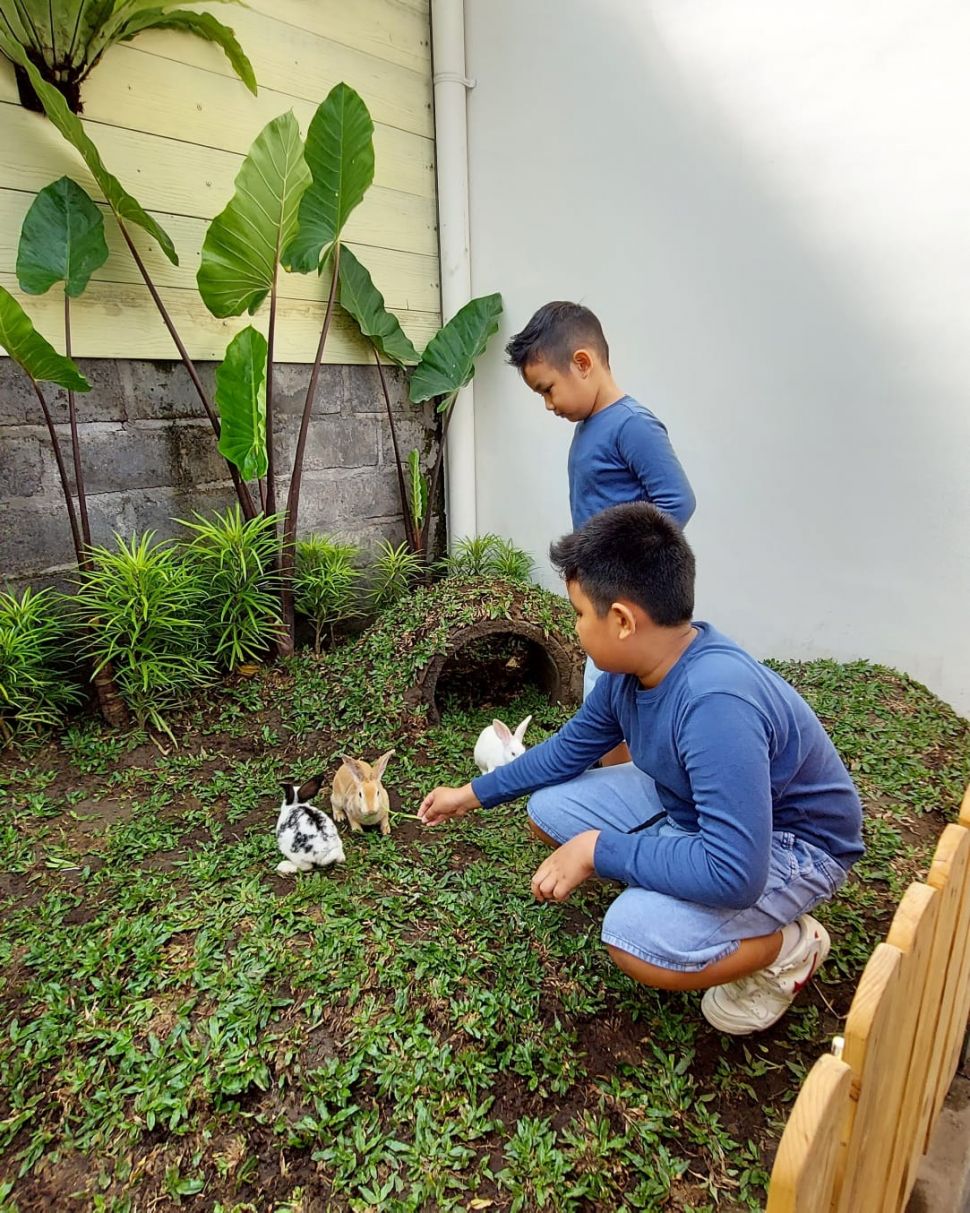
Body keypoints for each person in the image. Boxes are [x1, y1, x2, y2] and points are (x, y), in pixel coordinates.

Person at [418, 503, 864, 1035]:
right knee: (549, 810)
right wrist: (469, 794)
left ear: (624, 621)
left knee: (633, 938)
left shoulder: (715, 703)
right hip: (690, 806)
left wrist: (597, 851)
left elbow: (734, 871)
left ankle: (788, 948)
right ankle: (666, 872)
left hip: (789, 843)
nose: (576, 627)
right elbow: (568, 750)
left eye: (580, 614)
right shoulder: (633, 672)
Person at [506, 301, 695, 764]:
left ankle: (625, 789)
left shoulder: (632, 425)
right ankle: (619, 782)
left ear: (583, 363)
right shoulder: (594, 424)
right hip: (601, 594)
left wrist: (625, 564)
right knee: (611, 695)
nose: (549, 405)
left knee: (611, 694)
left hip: (624, 601)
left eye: (548, 390)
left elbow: (677, 500)